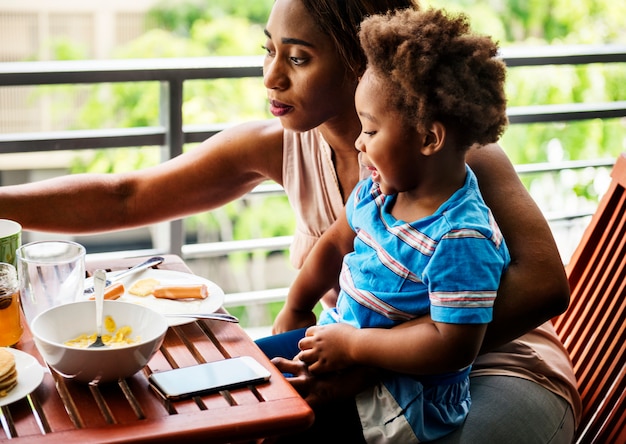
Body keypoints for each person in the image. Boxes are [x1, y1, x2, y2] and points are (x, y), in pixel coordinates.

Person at [0, 0, 580, 442]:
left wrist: (366, 361)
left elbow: (546, 285)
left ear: (364, 59)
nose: (271, 78)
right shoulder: (287, 143)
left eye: (298, 58)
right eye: (268, 50)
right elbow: (126, 197)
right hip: (354, 356)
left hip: (494, 369)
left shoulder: (450, 153)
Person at [259, 7, 512, 442]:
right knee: (248, 370)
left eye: (371, 131)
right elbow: (335, 242)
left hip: (401, 398)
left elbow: (451, 345)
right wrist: (296, 306)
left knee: (276, 425)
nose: (359, 142)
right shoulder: (380, 191)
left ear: (429, 138)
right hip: (342, 337)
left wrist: (353, 347)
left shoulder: (461, 236)